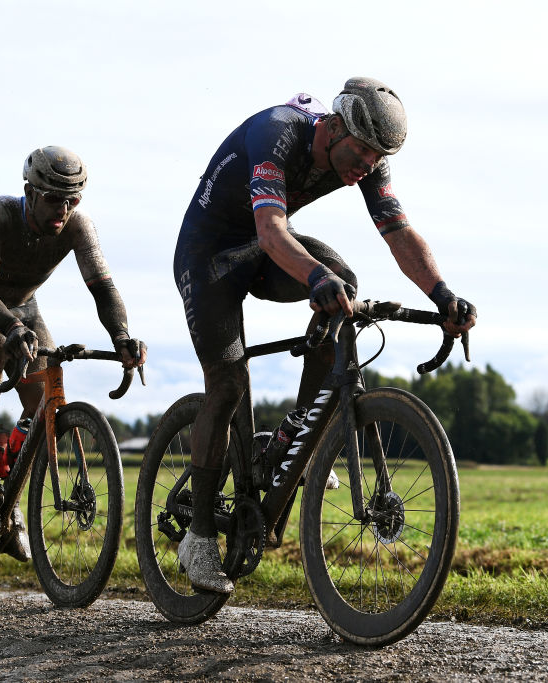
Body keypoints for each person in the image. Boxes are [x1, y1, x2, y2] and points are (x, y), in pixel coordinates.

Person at [173, 78, 477, 593]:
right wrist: (314, 276)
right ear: (335, 126)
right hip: (210, 258)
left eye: (374, 157)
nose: (364, 164)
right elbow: (271, 229)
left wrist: (442, 294)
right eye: (358, 151)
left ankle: (296, 432)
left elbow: (399, 233)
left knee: (345, 287)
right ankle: (198, 538)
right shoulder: (278, 133)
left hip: (263, 250)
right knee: (226, 387)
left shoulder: (367, 159)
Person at [0, 146, 146, 562]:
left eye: (72, 201)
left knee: (43, 405)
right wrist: (13, 327)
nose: (63, 210)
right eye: (54, 198)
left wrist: (122, 335)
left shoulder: (78, 227)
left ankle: (9, 505)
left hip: (24, 308)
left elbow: (103, 289)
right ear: (29, 192)